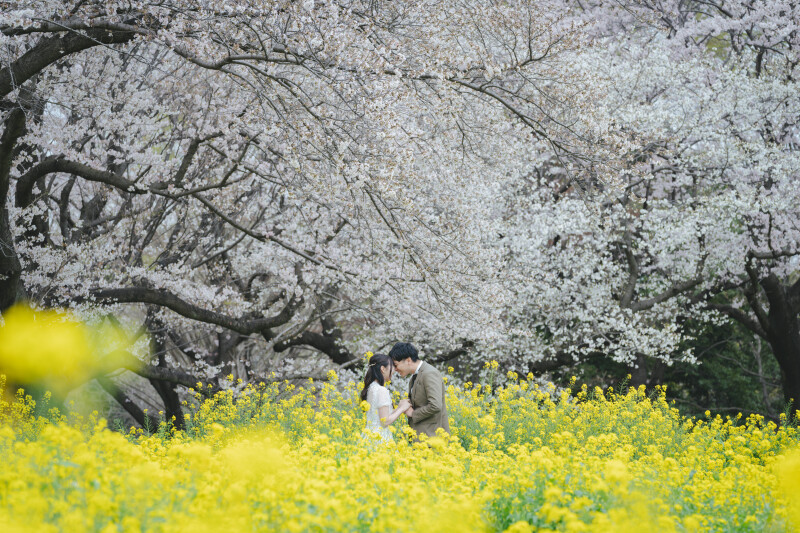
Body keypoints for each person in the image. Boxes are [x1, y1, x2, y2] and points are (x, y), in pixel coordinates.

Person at [389, 342, 450, 438]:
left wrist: (413, 414)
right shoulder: (416, 375)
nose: (395, 369)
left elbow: (435, 405)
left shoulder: (429, 373)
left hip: (431, 438)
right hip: (420, 437)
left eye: (396, 365)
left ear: (408, 360)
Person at [361, 352, 411, 442]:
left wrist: (399, 407)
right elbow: (384, 421)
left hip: (369, 435)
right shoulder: (381, 390)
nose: (394, 370)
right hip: (380, 437)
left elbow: (381, 415)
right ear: (383, 369)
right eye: (392, 367)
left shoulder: (371, 387)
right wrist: (402, 409)